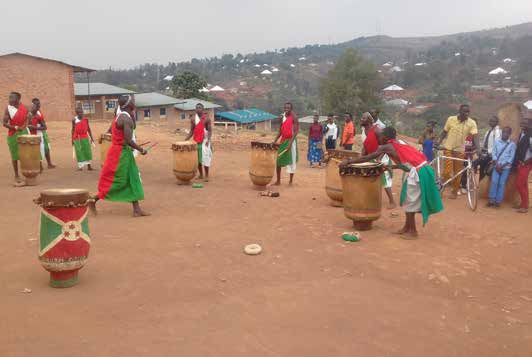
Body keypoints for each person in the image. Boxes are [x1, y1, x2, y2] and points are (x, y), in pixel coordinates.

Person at [340, 127, 443, 239]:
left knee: (410, 201)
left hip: (419, 172)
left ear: (385, 137)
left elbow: (369, 157)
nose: (378, 138)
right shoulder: (398, 142)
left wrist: (349, 162)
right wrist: (391, 166)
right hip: (421, 169)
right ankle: (407, 227)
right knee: (407, 200)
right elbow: (406, 160)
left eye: (379, 136)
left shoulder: (386, 146)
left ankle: (412, 231)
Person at [92, 95, 149, 217]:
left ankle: (137, 209)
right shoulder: (125, 119)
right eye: (133, 102)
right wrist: (141, 149)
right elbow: (128, 140)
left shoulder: (123, 116)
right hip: (120, 154)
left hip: (122, 152)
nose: (135, 103)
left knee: (132, 178)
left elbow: (130, 130)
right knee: (118, 181)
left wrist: (133, 114)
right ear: (129, 105)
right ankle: (94, 199)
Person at [438, 104, 480, 199]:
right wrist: (438, 142)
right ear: (460, 111)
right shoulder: (451, 119)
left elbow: (476, 136)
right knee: (447, 171)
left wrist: (478, 149)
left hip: (460, 150)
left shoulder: (471, 123)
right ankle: (441, 188)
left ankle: (454, 191)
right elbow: (444, 132)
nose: (467, 114)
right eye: (465, 111)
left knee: (458, 172)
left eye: (468, 112)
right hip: (448, 149)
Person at [361, 112, 397, 208]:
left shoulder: (376, 130)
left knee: (384, 179)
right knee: (370, 178)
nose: (361, 119)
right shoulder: (363, 131)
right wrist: (361, 158)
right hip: (371, 157)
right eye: (362, 118)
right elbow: (365, 147)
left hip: (381, 157)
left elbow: (384, 144)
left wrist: (379, 158)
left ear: (369, 120)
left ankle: (392, 202)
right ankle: (371, 200)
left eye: (363, 118)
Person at [3, 92, 29, 186]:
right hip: (13, 134)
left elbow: (27, 118)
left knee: (25, 154)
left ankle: (27, 173)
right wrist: (15, 127)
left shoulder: (25, 107)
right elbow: (4, 123)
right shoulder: (8, 109)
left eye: (11, 98)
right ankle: (16, 174)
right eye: (9, 97)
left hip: (24, 132)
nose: (9, 99)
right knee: (14, 155)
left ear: (18, 99)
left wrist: (24, 126)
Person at [487, 127, 516, 207]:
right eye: (504, 132)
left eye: (507, 133)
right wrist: (497, 164)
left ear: (510, 134)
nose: (505, 134)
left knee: (502, 183)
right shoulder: (497, 142)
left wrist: (502, 166)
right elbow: (494, 153)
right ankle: (491, 200)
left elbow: (511, 157)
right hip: (496, 166)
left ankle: (498, 201)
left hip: (505, 168)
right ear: (502, 132)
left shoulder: (512, 145)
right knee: (494, 182)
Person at [184, 103, 212, 181]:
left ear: (202, 109)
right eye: (196, 108)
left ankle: (206, 175)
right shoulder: (193, 119)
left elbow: (209, 131)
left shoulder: (207, 119)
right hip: (196, 141)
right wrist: (185, 140)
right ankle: (201, 175)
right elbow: (191, 131)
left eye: (199, 108)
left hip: (205, 141)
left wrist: (208, 140)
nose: (198, 109)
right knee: (198, 159)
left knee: (206, 158)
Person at [273, 102, 299, 185]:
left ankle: (291, 181)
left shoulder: (294, 117)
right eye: (285, 108)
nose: (286, 109)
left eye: (288, 108)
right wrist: (274, 141)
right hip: (283, 141)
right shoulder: (282, 117)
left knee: (291, 161)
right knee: (278, 161)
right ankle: (278, 181)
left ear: (291, 109)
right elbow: (280, 131)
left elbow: (295, 132)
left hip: (291, 141)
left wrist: (290, 144)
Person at [27, 98, 56, 170]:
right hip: (34, 133)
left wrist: (35, 127)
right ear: (33, 104)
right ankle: (39, 165)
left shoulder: (38, 113)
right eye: (37, 104)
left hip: (41, 132)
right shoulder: (30, 113)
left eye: (39, 104)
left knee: (46, 148)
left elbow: (43, 125)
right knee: (36, 149)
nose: (39, 105)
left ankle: (49, 163)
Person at [474, 115, 501, 181]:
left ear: (497, 122)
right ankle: (480, 184)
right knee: (480, 168)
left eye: (493, 121)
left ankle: (482, 184)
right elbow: (484, 143)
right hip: (485, 153)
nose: (491, 122)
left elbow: (497, 145)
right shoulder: (489, 131)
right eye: (490, 121)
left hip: (490, 155)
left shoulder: (497, 132)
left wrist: (490, 153)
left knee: (482, 169)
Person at [513, 117, 531, 213]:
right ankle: (524, 204)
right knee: (523, 184)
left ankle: (524, 207)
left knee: (519, 184)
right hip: (521, 162)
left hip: (526, 163)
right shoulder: (521, 134)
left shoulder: (530, 135)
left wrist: (525, 162)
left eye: (526, 123)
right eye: (522, 122)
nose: (523, 124)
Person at [72, 106, 95, 171]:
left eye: (81, 112)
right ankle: (80, 167)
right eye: (79, 112)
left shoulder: (86, 120)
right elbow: (73, 130)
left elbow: (89, 129)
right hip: (77, 138)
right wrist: (72, 140)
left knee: (87, 151)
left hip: (85, 137)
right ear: (76, 113)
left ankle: (89, 166)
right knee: (79, 152)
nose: (81, 114)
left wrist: (91, 138)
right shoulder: (74, 120)